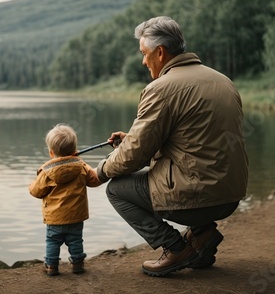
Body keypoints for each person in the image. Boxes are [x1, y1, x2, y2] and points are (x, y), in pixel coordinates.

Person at [96, 16, 248, 277]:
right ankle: (201, 235)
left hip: (199, 200)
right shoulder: (223, 81)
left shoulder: (161, 88)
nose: (144, 61)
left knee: (117, 189)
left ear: (160, 52)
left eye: (144, 54)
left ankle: (176, 248)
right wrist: (132, 137)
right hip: (231, 196)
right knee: (176, 177)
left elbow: (134, 156)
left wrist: (99, 172)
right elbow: (192, 142)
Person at [29, 123, 102, 276]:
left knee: (52, 242)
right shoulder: (82, 167)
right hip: (76, 216)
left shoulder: (46, 172)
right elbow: (94, 181)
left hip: (54, 218)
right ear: (75, 150)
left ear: (51, 152)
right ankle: (77, 264)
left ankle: (52, 266)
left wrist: (31, 185)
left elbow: (36, 192)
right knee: (76, 241)